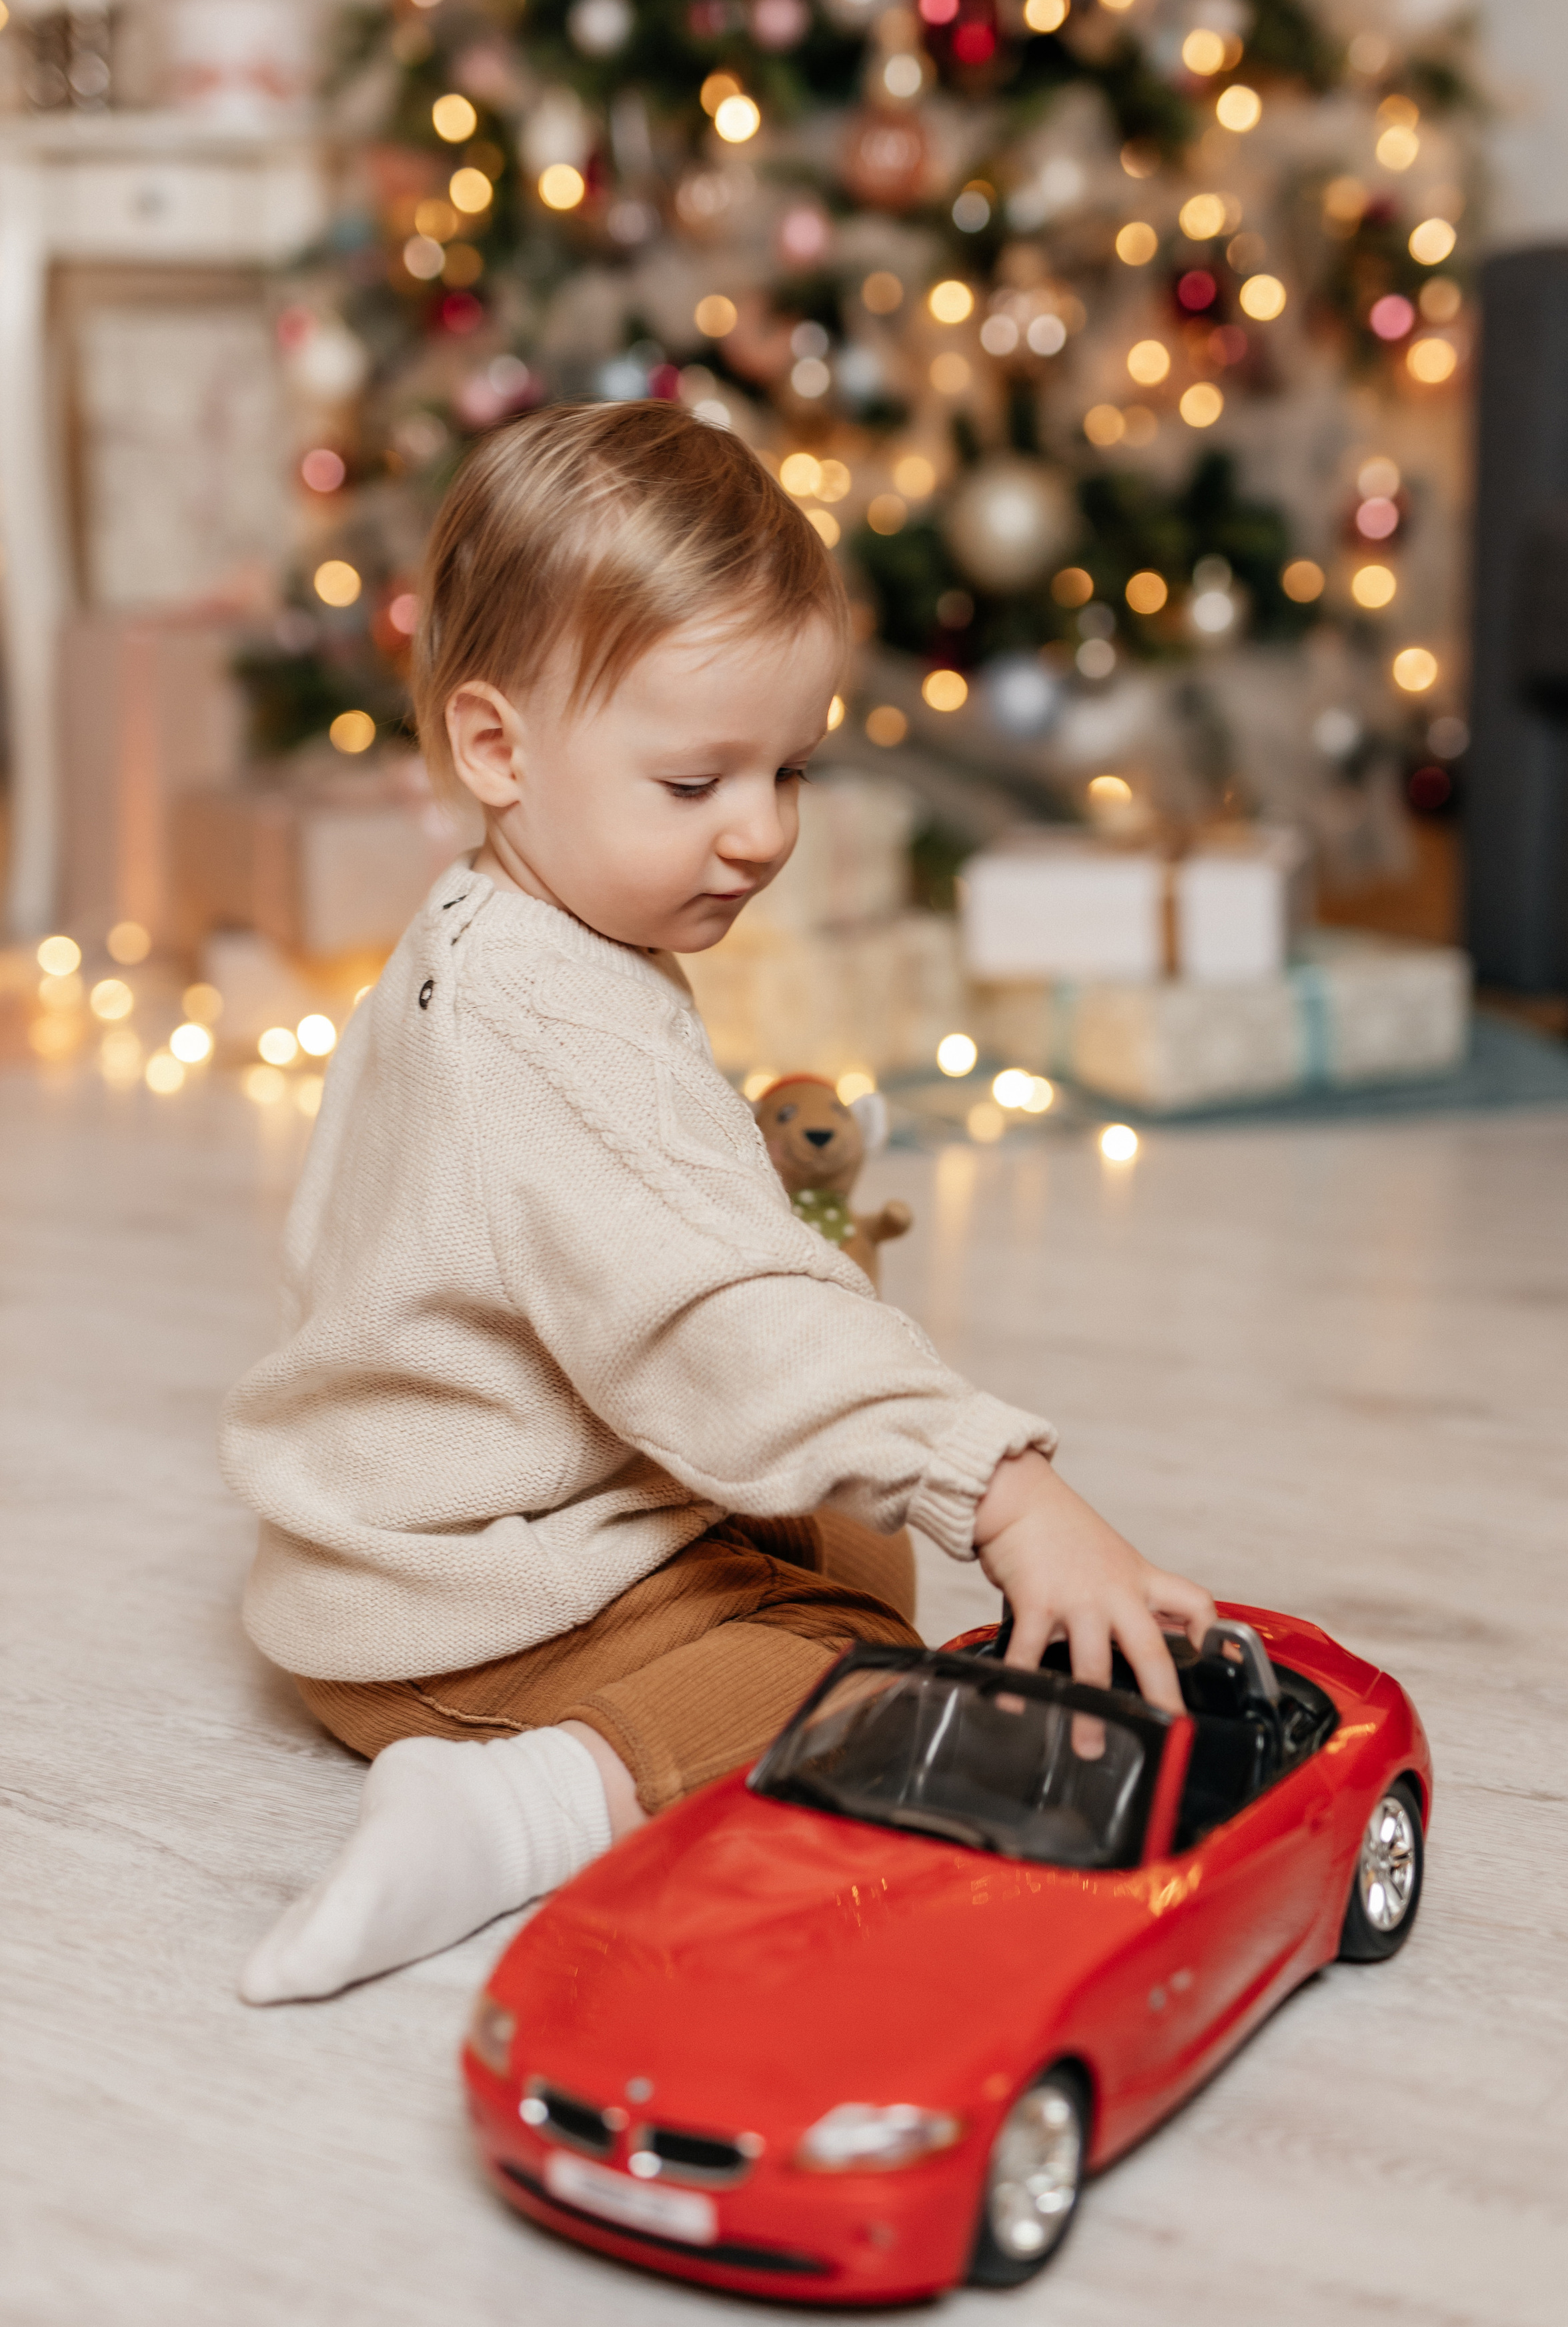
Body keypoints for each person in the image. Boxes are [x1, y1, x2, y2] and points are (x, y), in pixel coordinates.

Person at [225, 402, 1215, 2005]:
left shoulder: (495, 931)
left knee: (844, 1534)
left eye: (789, 770)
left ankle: (591, 1722)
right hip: (449, 1617)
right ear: (495, 747)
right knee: (855, 1672)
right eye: (694, 781)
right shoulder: (541, 1013)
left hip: (454, 1522)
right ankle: (514, 1806)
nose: (758, 833)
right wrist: (1005, 1493)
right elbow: (719, 1320)